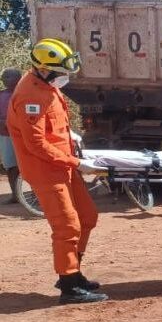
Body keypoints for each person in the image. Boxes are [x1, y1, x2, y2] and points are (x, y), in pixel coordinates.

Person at [6, 38, 107, 304]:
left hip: (63, 162)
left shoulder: (48, 86)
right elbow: (36, 143)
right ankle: (69, 285)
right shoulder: (30, 95)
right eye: (61, 72)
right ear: (42, 68)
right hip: (46, 170)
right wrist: (76, 163)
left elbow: (54, 125)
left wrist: (71, 136)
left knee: (87, 216)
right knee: (67, 225)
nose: (64, 77)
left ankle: (74, 271)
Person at [0, 68, 22, 204]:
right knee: (10, 166)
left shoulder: (24, 94)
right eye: (3, 77)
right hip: (5, 135)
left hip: (22, 135)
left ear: (18, 78)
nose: (4, 79)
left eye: (8, 77)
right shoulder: (1, 95)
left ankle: (34, 195)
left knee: (28, 165)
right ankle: (15, 195)